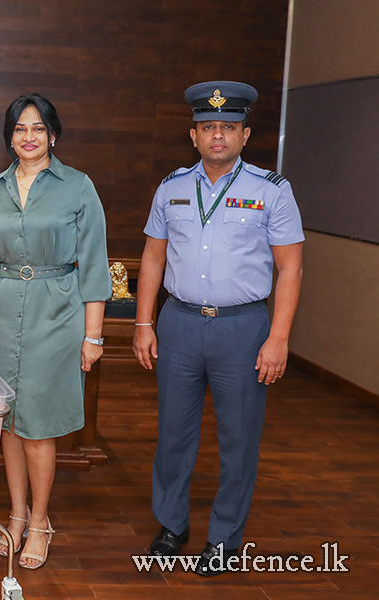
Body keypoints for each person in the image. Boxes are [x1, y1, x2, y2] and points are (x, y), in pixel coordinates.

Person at [133, 81, 304, 576]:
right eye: (208, 128)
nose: (218, 136)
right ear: (194, 135)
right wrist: (144, 322)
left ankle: (225, 538)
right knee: (173, 436)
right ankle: (172, 525)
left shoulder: (271, 190)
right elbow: (152, 256)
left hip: (244, 328)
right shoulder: (171, 187)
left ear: (245, 134)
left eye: (228, 128)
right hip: (180, 324)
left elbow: (290, 269)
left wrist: (279, 337)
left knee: (239, 439)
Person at [0, 93, 111, 569]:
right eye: (20, 129)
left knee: (39, 425)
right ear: (10, 137)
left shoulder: (78, 187)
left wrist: (93, 335)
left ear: (53, 135)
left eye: (38, 129)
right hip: (4, 311)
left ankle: (42, 521)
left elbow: (93, 265)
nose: (29, 137)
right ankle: (17, 515)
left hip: (57, 311)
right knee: (8, 422)